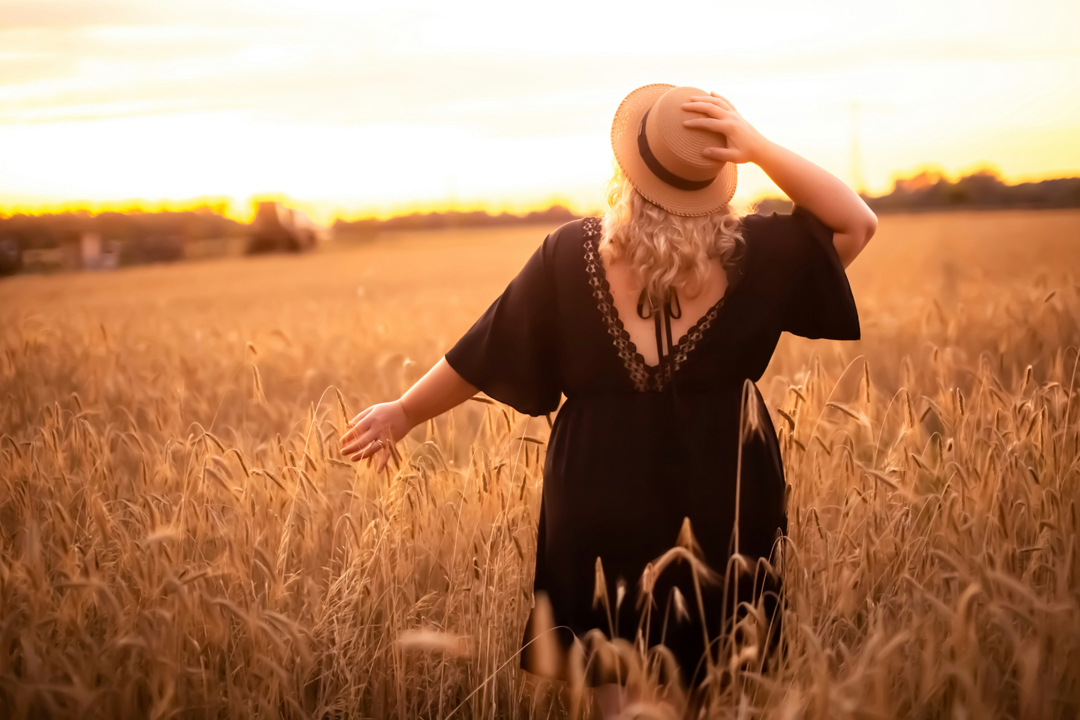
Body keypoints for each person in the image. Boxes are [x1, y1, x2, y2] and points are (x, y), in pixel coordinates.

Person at [340, 84, 876, 717]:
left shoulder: (571, 254)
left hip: (597, 487)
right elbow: (855, 222)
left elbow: (485, 348)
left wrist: (403, 412)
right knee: (725, 684)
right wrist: (758, 148)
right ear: (718, 177)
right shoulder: (755, 255)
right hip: (724, 489)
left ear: (628, 171)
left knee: (614, 692)